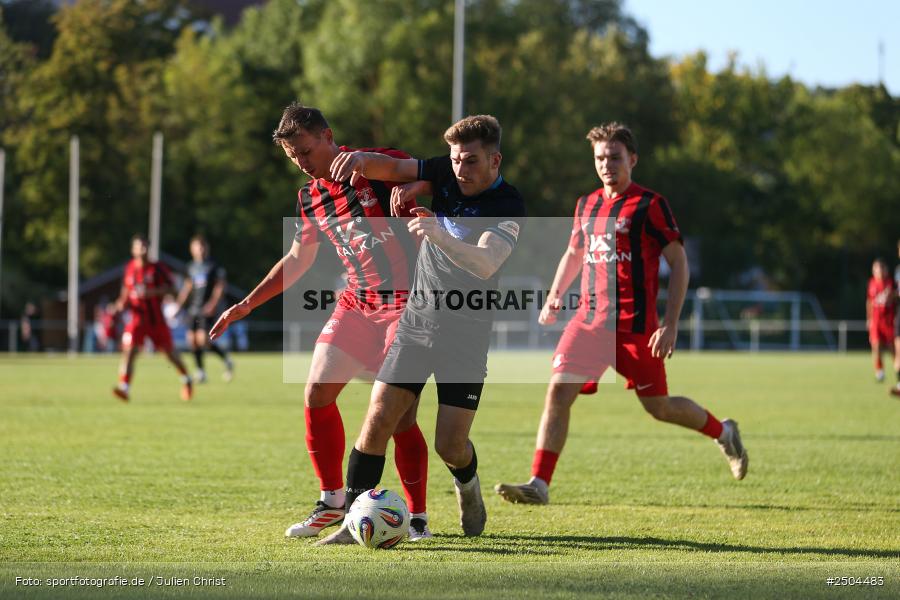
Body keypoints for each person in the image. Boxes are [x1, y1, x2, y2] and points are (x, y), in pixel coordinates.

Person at [209, 103, 432, 540]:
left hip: (406, 304)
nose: (303, 164)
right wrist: (247, 305)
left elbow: (440, 177)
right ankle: (332, 501)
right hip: (356, 303)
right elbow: (297, 259)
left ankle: (418, 516)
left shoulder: (373, 164)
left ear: (328, 136)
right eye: (294, 157)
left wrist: (417, 187)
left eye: (307, 152)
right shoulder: (309, 197)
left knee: (398, 416)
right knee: (316, 392)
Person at [495, 122, 748, 506]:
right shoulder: (587, 204)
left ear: (632, 159)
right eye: (600, 158)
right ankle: (539, 483)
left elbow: (678, 263)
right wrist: (555, 296)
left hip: (637, 329)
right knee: (558, 392)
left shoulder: (651, 205)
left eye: (614, 157)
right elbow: (575, 253)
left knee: (659, 407)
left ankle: (723, 432)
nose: (606, 164)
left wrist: (671, 323)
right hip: (588, 323)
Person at [316, 114, 526, 545]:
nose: (460, 170)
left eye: (470, 161)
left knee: (449, 445)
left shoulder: (507, 204)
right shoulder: (444, 173)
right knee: (377, 418)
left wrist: (437, 232)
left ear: (494, 160)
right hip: (417, 323)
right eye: (454, 160)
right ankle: (351, 524)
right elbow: (393, 168)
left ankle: (468, 486)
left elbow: (486, 264)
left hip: (465, 336)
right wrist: (358, 159)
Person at [112, 234, 193, 402]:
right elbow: (126, 292)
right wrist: (119, 304)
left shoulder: (158, 268)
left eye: (145, 246)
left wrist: (152, 292)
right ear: (132, 249)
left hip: (156, 321)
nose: (142, 249)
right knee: (129, 351)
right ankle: (124, 388)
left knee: (170, 355)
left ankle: (187, 379)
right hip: (136, 320)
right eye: (139, 246)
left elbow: (173, 289)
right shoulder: (129, 268)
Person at [176, 235, 234, 383]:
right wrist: (178, 305)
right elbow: (187, 287)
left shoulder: (214, 266)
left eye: (202, 246)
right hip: (193, 309)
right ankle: (201, 371)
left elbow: (220, 286)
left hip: (207, 309)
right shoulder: (191, 267)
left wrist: (213, 304)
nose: (200, 249)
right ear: (192, 249)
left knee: (203, 339)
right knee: (192, 341)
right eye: (197, 246)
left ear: (206, 248)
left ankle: (226, 359)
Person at [866, 258, 896, 386]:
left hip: (889, 321)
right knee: (876, 345)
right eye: (875, 269)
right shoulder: (871, 283)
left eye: (880, 269)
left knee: (892, 349)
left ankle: (897, 370)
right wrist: (869, 319)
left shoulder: (891, 283)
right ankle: (879, 371)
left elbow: (895, 299)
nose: (878, 272)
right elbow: (869, 302)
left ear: (885, 270)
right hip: (876, 321)